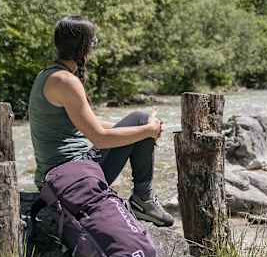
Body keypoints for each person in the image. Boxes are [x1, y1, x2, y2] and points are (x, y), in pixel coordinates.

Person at [28, 15, 174, 227]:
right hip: (70, 179)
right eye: (94, 41)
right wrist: (147, 130)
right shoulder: (66, 81)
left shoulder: (50, 75)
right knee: (141, 118)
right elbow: (100, 138)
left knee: (139, 121)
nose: (94, 46)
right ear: (83, 46)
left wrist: (142, 129)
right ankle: (143, 199)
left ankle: (144, 199)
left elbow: (91, 124)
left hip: (54, 177)